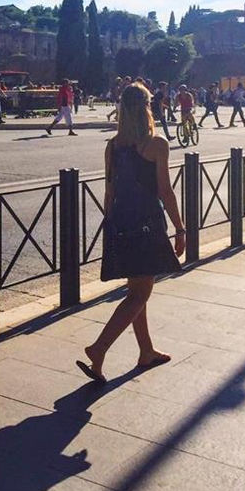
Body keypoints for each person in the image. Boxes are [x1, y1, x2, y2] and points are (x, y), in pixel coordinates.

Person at [76, 83, 185, 383]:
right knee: (140, 293)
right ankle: (98, 348)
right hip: (147, 224)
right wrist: (180, 227)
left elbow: (109, 191)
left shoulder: (113, 145)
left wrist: (110, 227)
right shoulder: (156, 144)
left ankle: (146, 351)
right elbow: (165, 191)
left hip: (122, 223)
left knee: (136, 290)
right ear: (148, 107)